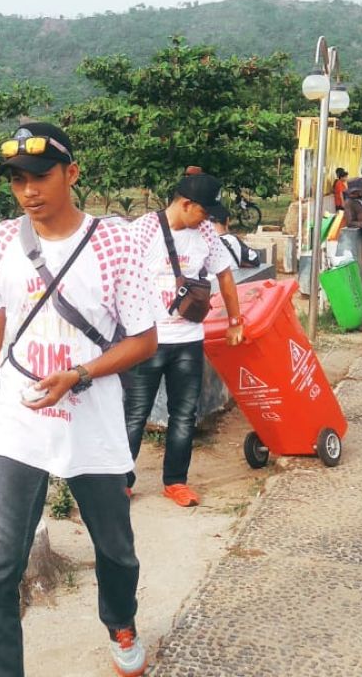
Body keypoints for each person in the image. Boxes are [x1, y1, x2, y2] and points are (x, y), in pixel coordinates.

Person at [0, 122, 159, 677]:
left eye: (40, 176)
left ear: (71, 173)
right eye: (17, 180)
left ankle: (121, 621)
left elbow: (144, 339)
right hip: (20, 422)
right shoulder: (0, 242)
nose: (29, 190)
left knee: (115, 551)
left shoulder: (115, 242)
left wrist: (80, 373)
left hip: (92, 418)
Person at [124, 174, 243, 507]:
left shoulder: (204, 232)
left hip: (189, 340)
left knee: (184, 415)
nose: (209, 218)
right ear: (186, 204)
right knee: (135, 415)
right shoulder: (143, 231)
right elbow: (119, 279)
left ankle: (175, 481)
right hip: (147, 340)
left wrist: (235, 320)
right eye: (205, 211)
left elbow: (225, 275)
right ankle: (121, 481)